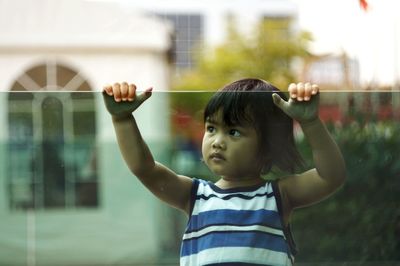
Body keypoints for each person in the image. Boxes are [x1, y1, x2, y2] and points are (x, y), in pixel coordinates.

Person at [102, 78, 346, 266]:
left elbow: (330, 176)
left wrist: (310, 122)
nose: (217, 141)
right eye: (211, 128)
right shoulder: (194, 195)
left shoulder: (279, 195)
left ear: (270, 145)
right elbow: (144, 168)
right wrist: (122, 119)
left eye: (234, 132)